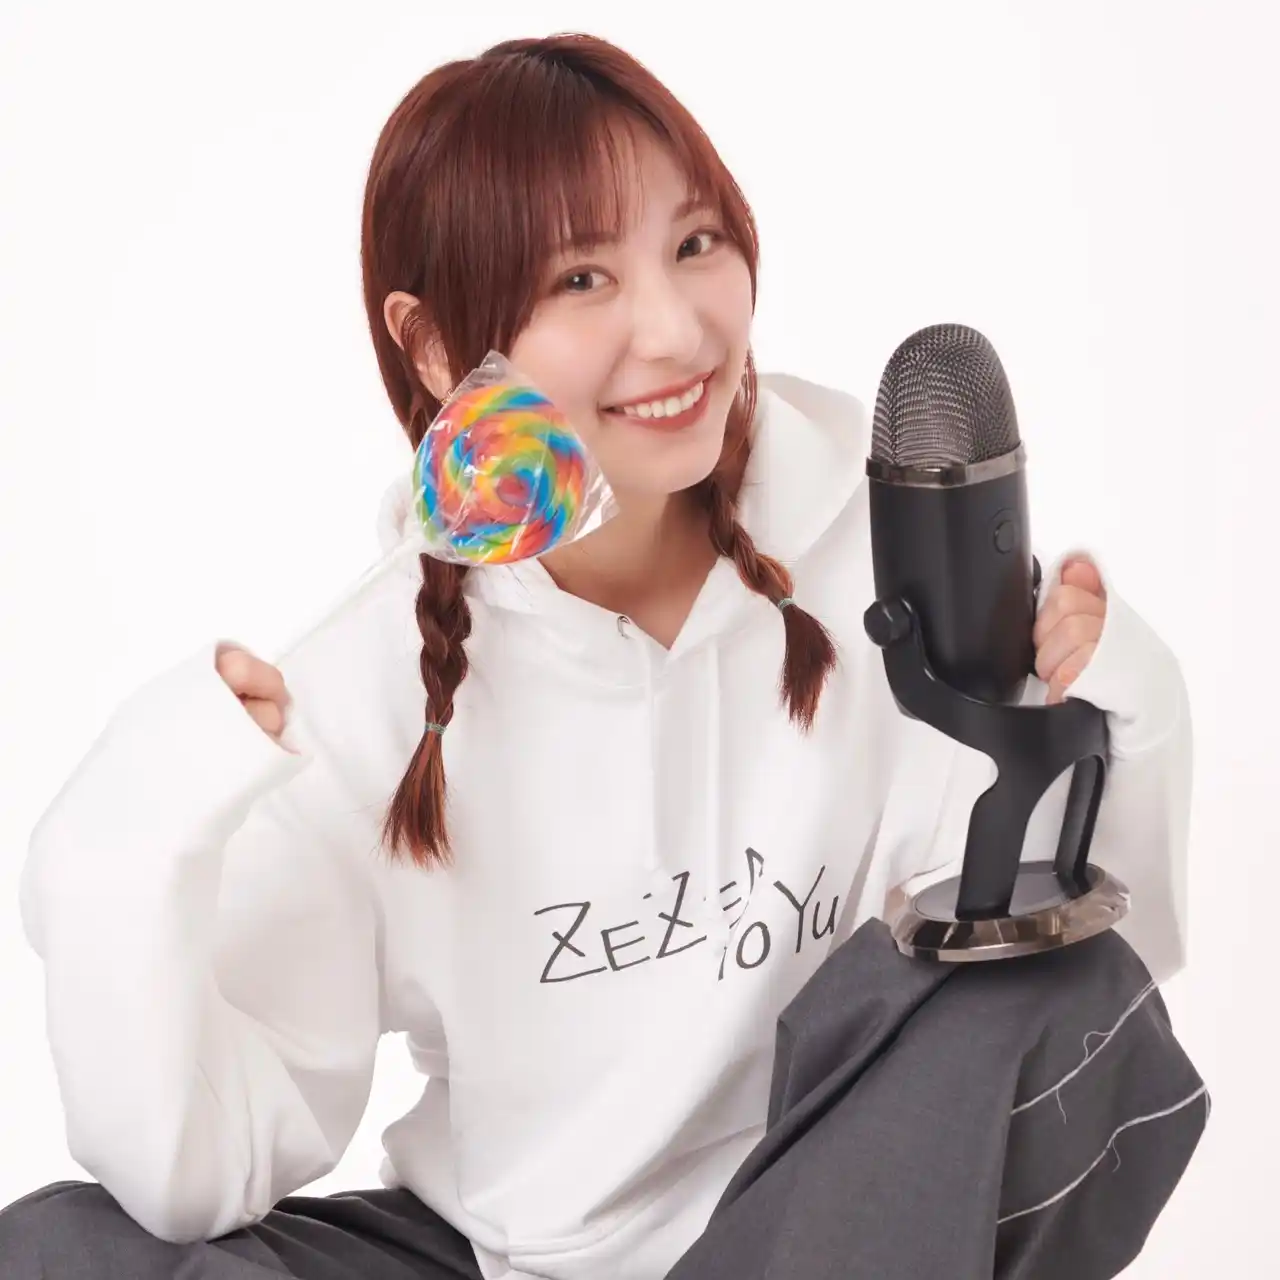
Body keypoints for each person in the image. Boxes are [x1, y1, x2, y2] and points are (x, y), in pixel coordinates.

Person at [0, 31, 1204, 1280]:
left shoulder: (878, 544)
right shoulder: (363, 689)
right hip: (503, 1256)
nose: (675, 330)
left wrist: (1131, 707)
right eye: (581, 278)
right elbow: (195, 1175)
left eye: (694, 243)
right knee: (66, 1251)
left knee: (1045, 996)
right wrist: (121, 853)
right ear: (433, 345)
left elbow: (1064, 969)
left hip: (833, 1220)